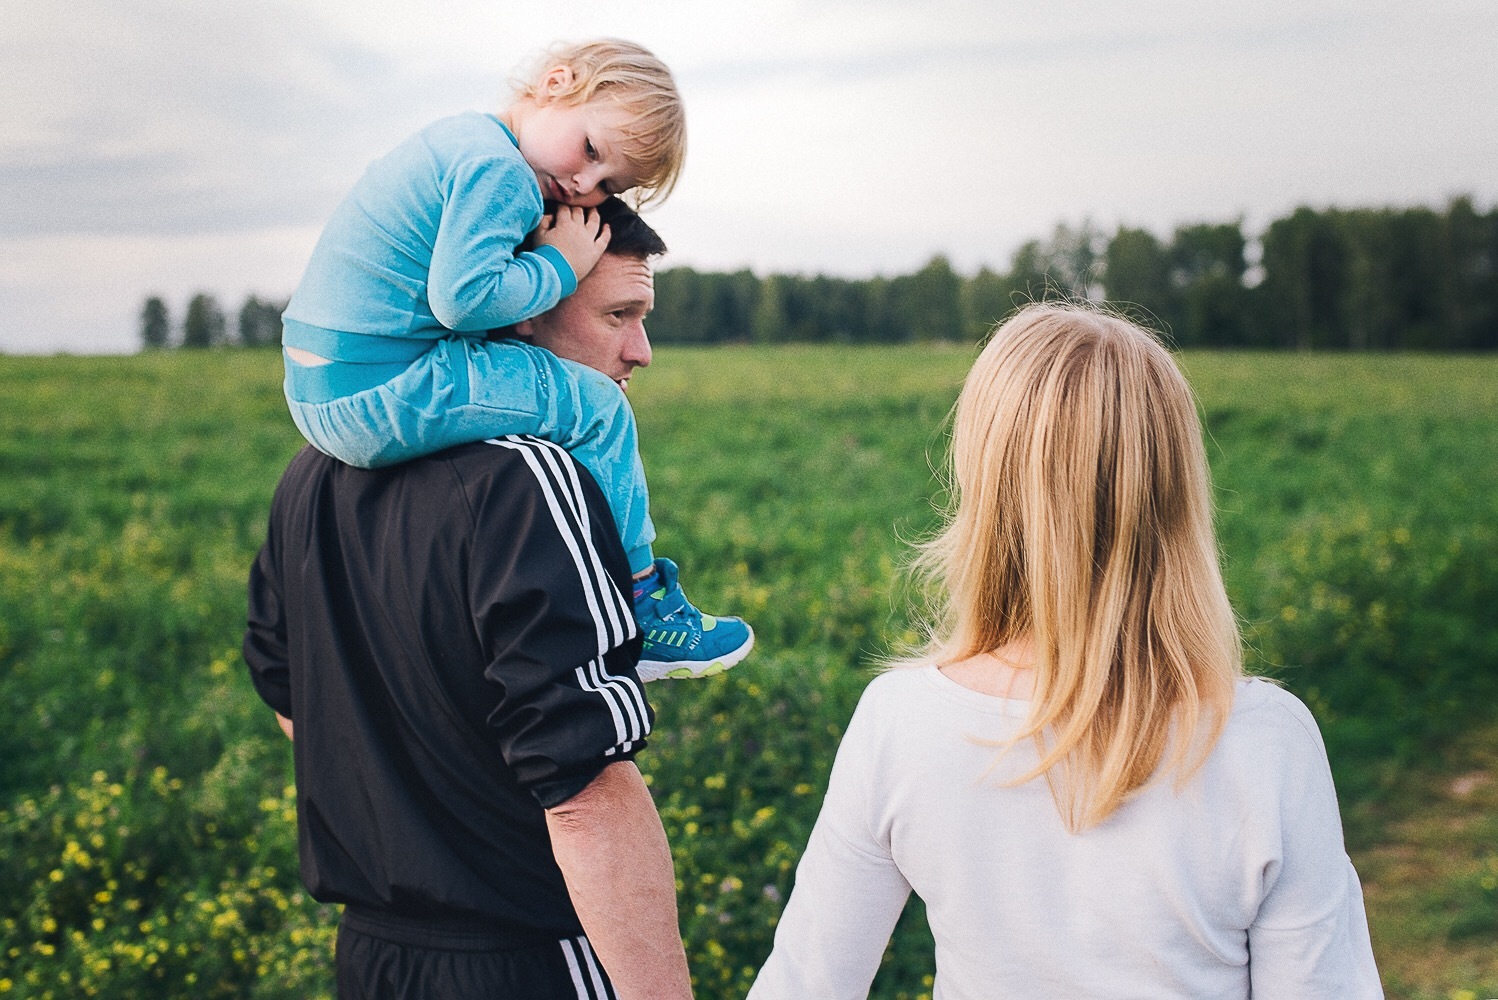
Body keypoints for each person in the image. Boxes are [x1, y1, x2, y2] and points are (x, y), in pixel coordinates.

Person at [748, 304, 1384, 999]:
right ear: (1175, 490)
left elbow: (806, 981)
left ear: (984, 482)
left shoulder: (901, 721)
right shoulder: (1267, 740)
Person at [244, 201, 694, 999]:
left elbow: (292, 703)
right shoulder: (534, 477)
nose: (642, 351)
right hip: (528, 956)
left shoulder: (311, 472)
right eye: (619, 314)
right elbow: (584, 793)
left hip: (373, 959)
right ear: (517, 312)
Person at [278, 37, 751, 679]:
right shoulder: (502, 173)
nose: (584, 184)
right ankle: (643, 604)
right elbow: (465, 300)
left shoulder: (456, 140)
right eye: (590, 152)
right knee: (597, 406)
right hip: (384, 385)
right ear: (558, 82)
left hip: (318, 385)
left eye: (609, 183)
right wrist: (561, 263)